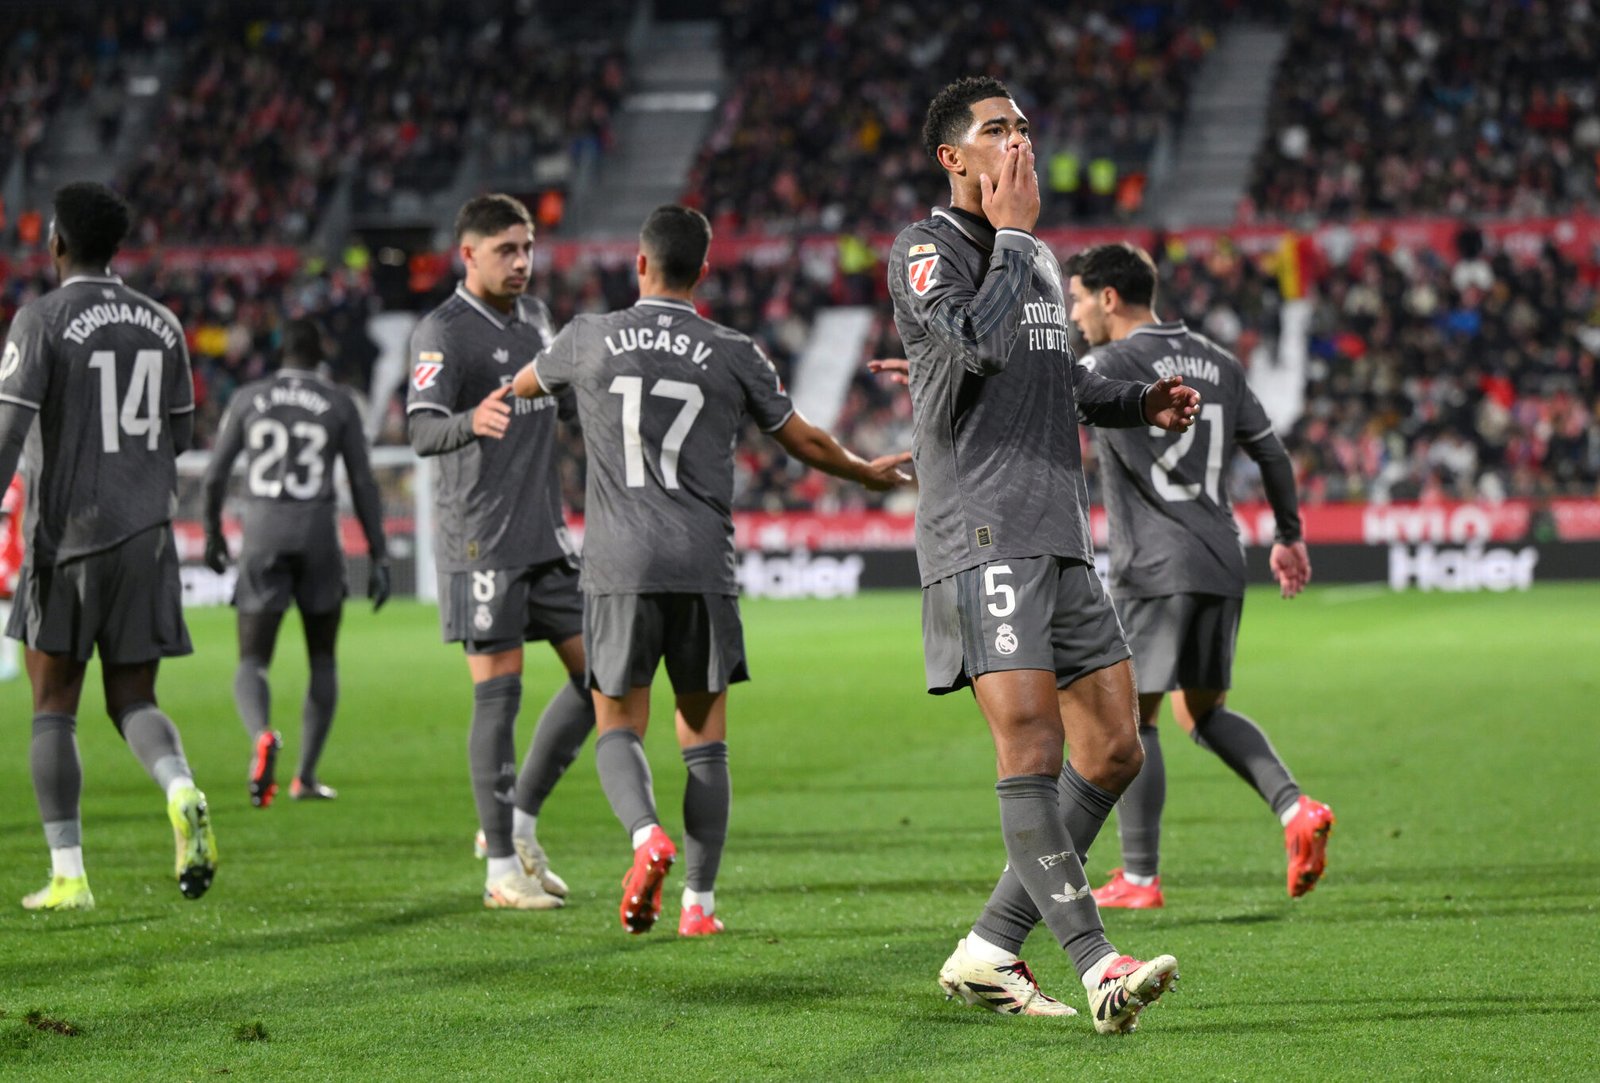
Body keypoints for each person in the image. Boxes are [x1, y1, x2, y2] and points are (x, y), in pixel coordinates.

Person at [881, 77, 1198, 1033]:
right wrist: (1016, 240)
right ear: (954, 158)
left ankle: (986, 948)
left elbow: (1051, 378)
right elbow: (970, 347)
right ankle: (1098, 961)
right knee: (1033, 746)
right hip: (982, 530)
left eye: (1023, 125)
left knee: (1113, 750)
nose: (1017, 141)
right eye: (995, 130)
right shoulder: (924, 250)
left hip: (1059, 530)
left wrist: (1136, 404)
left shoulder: (1033, 257)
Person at [512, 204, 911, 937]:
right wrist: (865, 473)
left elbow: (519, 388)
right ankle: (699, 904)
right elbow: (807, 442)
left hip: (618, 564)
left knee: (617, 724)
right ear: (703, 271)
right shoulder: (735, 350)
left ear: (639, 264)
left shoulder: (587, 338)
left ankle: (644, 836)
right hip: (703, 563)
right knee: (705, 738)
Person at [1062, 242, 1333, 906]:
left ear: (1108, 297)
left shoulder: (1104, 362)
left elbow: (1040, 405)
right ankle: (1295, 808)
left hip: (1152, 564)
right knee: (1204, 711)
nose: (1073, 314)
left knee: (1133, 720)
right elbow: (1270, 452)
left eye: (1076, 299)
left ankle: (1139, 877)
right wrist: (1289, 536)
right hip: (1219, 555)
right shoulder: (1219, 360)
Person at [0, 181, 218, 911]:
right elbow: (182, 436)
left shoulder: (41, 318)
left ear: (57, 241)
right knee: (134, 697)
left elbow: (6, 433)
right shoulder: (163, 322)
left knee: (53, 705)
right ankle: (181, 785)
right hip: (149, 538)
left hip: (70, 536)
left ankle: (69, 874)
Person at [407, 194, 593, 911]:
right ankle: (499, 876)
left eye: (527, 248)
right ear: (469, 255)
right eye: (506, 250)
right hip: (480, 538)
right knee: (499, 693)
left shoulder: (539, 319)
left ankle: (515, 826)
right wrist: (467, 420)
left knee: (603, 676)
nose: (521, 262)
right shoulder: (442, 332)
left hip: (545, 537)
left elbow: (564, 404)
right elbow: (421, 430)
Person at [201, 317, 392, 808]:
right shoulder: (339, 401)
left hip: (263, 534)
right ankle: (305, 776)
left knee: (252, 660)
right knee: (323, 659)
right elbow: (363, 482)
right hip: (318, 538)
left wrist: (212, 533)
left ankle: (261, 735)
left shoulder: (248, 398)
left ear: (279, 354)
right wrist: (378, 552)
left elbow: (215, 474)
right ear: (320, 354)